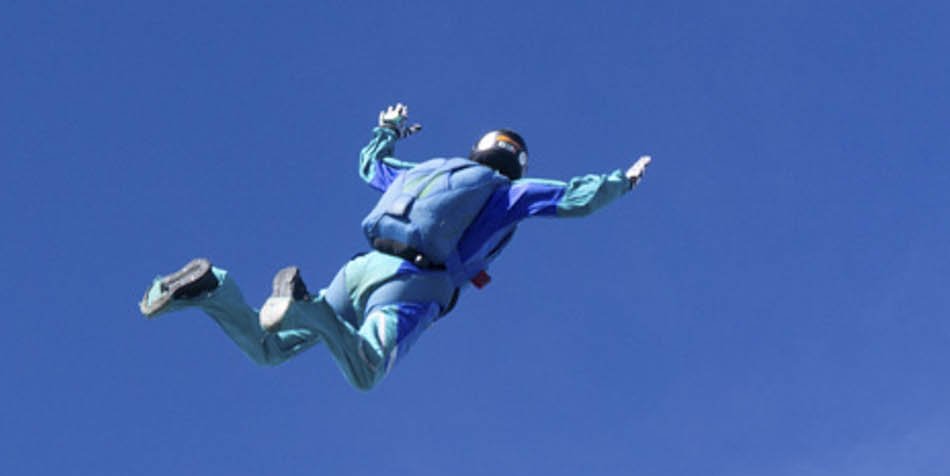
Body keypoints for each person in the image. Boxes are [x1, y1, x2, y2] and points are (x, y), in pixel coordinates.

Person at [139, 105, 651, 393]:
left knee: (269, 349)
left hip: (361, 267)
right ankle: (306, 308)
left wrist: (386, 130)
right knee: (365, 369)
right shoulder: (507, 192)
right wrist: (622, 182)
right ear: (516, 162)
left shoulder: (426, 171)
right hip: (413, 286)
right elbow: (574, 198)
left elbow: (370, 167)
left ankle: (213, 289)